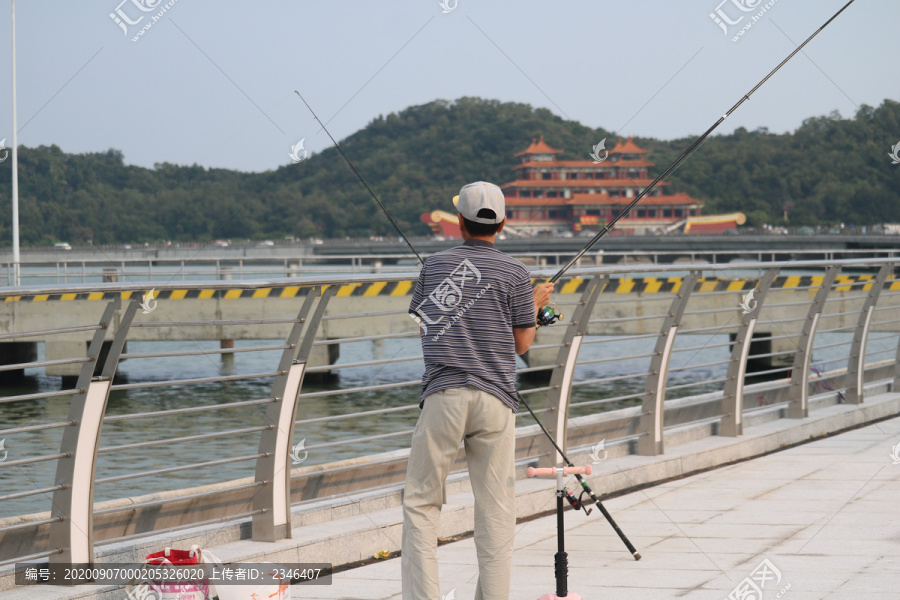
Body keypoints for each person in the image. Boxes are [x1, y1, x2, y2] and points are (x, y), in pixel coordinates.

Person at [402, 181, 554, 600]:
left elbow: (424, 324)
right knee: (496, 511)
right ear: (502, 223)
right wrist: (534, 307)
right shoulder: (516, 273)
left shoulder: (433, 265)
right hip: (496, 399)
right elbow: (522, 345)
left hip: (444, 395)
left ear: (458, 223)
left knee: (421, 505)